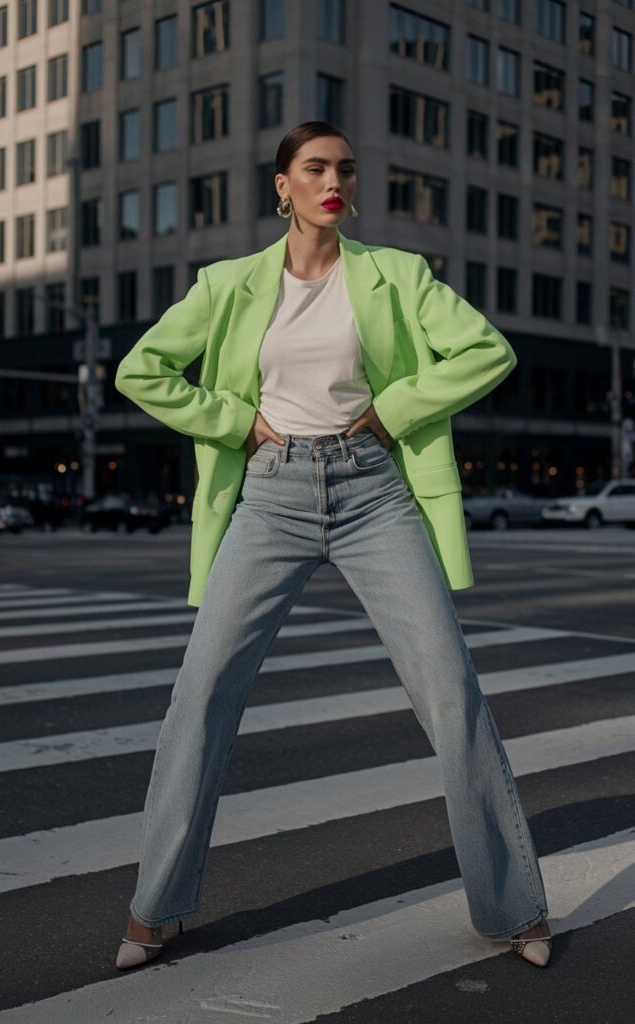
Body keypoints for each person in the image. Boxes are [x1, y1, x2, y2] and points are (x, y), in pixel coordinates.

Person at [115, 121, 552, 971]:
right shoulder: (230, 284)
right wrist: (235, 421)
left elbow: (486, 349)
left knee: (451, 695)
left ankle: (513, 907)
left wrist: (394, 413)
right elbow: (142, 369)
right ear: (281, 184)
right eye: (314, 168)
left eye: (345, 170)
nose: (332, 181)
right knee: (199, 697)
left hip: (373, 491)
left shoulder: (396, 276)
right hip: (270, 494)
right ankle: (156, 907)